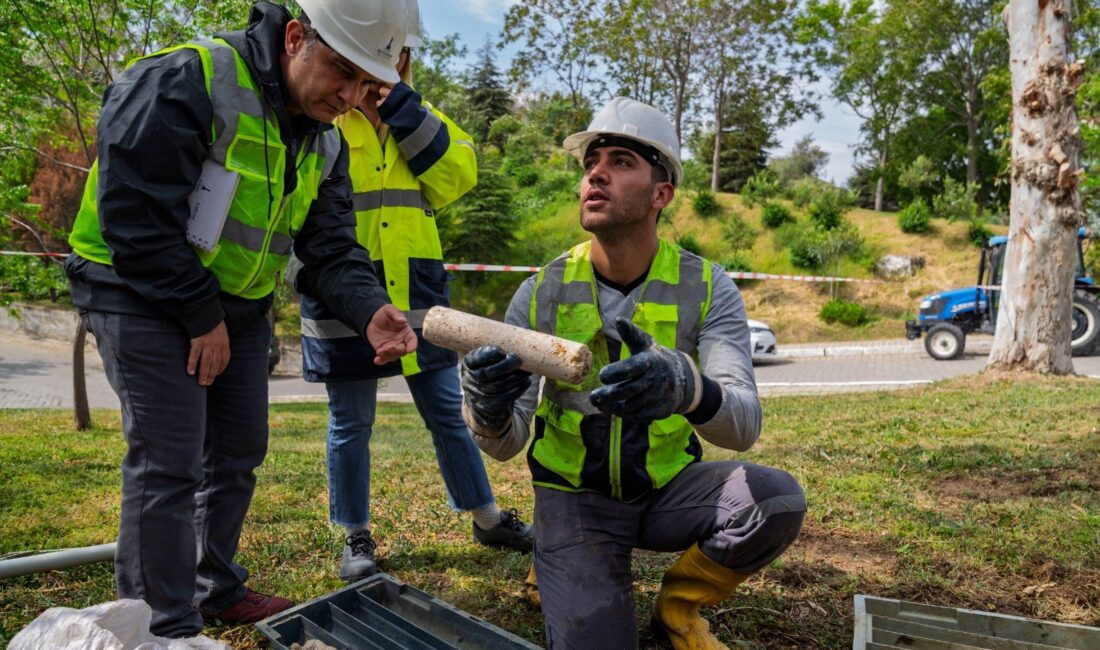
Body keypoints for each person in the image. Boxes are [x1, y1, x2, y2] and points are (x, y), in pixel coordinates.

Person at [65, 0, 416, 639]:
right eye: (341, 71)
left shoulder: (325, 141)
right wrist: (201, 317)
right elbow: (134, 216)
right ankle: (158, 625)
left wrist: (369, 309)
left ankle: (210, 586)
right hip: (132, 284)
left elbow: (331, 248)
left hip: (237, 304)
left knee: (237, 450)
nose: (349, 96)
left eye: (366, 84)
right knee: (170, 455)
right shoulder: (188, 77)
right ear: (292, 38)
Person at [459, 97, 807, 649]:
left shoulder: (707, 287)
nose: (596, 172)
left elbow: (743, 425)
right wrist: (488, 408)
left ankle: (678, 609)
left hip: (667, 492)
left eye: (621, 161)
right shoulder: (540, 291)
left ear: (660, 194)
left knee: (776, 500)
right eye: (591, 162)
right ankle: (559, 559)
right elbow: (505, 445)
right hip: (575, 496)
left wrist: (688, 387)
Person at [297, 0, 533, 582]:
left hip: (420, 299)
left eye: (390, 59)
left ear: (404, 60)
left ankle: (485, 517)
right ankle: (354, 533)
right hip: (345, 303)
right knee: (349, 423)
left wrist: (400, 106)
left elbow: (458, 176)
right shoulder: (324, 117)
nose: (374, 72)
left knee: (449, 417)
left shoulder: (420, 117)